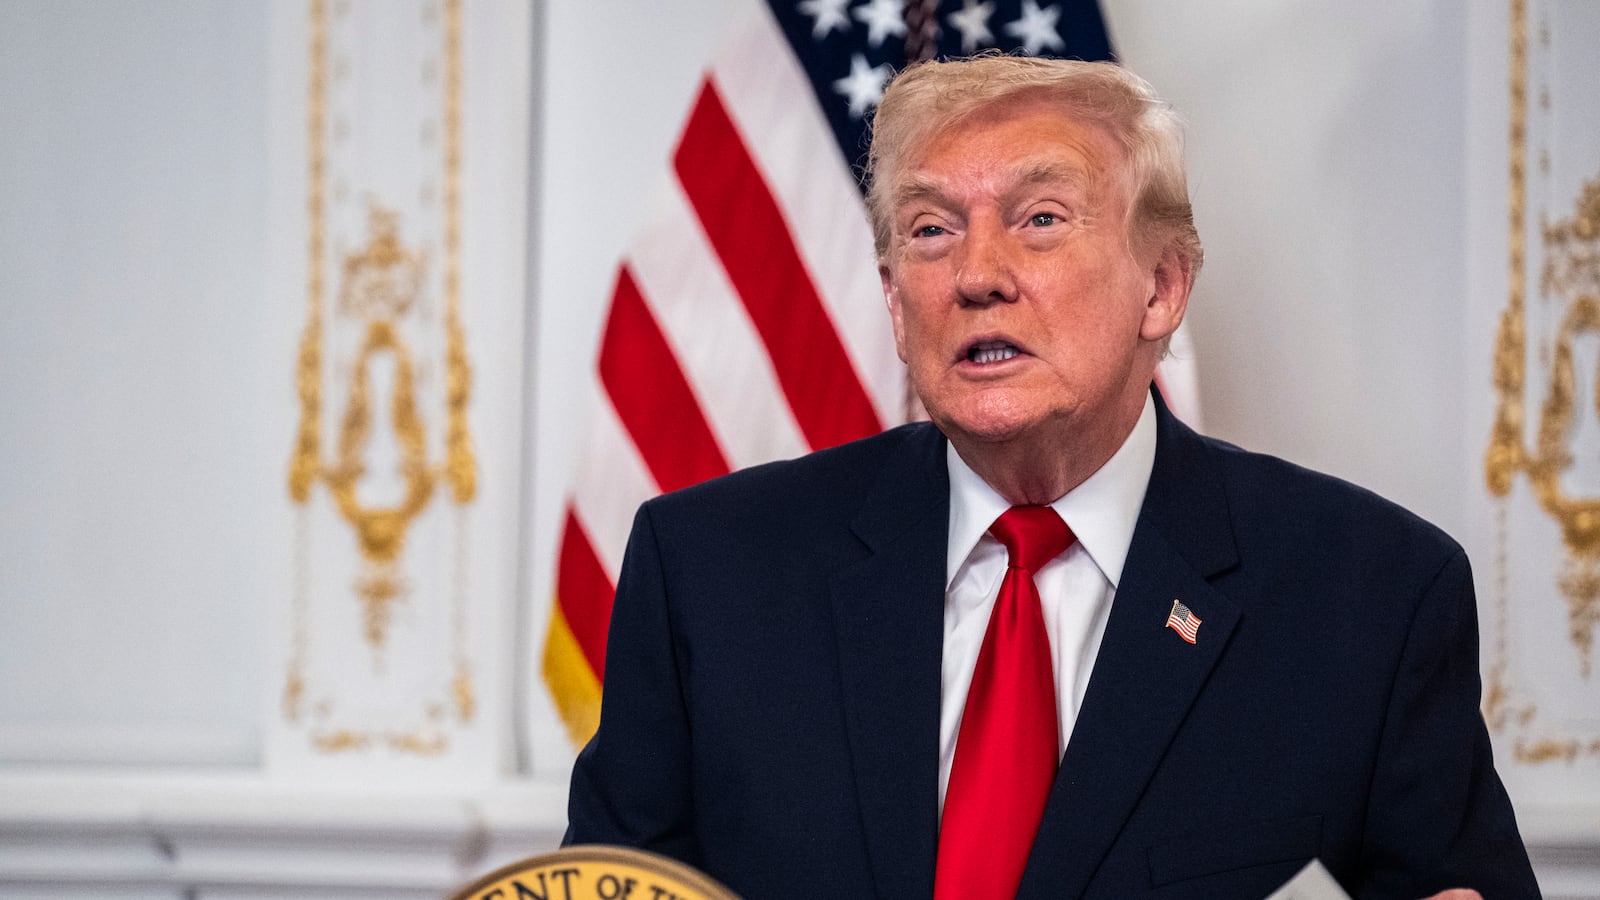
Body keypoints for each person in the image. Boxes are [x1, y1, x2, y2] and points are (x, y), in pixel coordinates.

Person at [565, 56, 1538, 899]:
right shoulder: (708, 572)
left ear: (1162, 286)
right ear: (897, 307)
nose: (976, 274)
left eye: (1039, 218)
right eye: (931, 230)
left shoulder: (1372, 598)